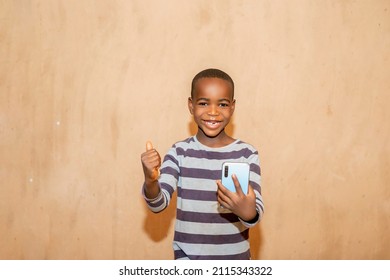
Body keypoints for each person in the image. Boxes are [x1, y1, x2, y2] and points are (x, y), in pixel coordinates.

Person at [141, 68, 264, 260]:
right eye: (204, 103)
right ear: (191, 106)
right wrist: (150, 180)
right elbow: (158, 204)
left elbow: (255, 213)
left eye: (222, 104)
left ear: (232, 107)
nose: (213, 112)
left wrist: (247, 212)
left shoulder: (247, 154)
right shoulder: (179, 152)